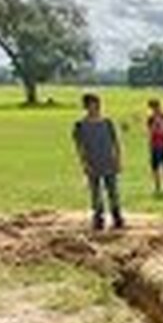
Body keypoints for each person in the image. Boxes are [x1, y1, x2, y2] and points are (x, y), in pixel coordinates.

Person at [71, 93, 124, 230]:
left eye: (97, 104)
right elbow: (80, 147)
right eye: (92, 104)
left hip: (108, 161)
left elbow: (115, 142)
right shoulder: (80, 125)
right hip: (93, 162)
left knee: (112, 190)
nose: (95, 107)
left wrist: (118, 159)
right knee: (96, 192)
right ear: (86, 106)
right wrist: (84, 163)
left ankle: (116, 215)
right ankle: (98, 216)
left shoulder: (107, 122)